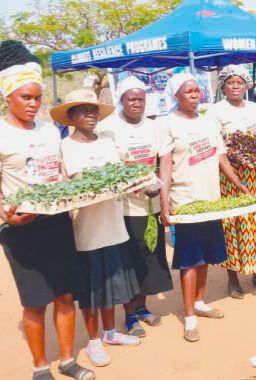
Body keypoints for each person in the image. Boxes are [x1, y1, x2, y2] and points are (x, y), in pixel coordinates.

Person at [0, 40, 95, 380]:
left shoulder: (47, 131)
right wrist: (5, 215)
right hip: (20, 228)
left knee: (65, 294)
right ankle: (40, 368)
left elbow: (60, 170)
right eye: (26, 97)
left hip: (56, 221)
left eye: (38, 97)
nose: (34, 104)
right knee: (35, 302)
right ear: (7, 95)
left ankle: (68, 360)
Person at [157, 73, 248, 342]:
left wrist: (240, 185)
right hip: (185, 200)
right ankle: (189, 317)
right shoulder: (168, 124)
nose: (195, 94)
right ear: (176, 96)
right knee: (189, 260)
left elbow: (221, 158)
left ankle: (199, 302)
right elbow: (165, 165)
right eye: (189, 91)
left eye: (197, 90)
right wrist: (164, 203)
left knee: (207, 256)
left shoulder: (208, 121)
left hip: (211, 199)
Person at [54, 89, 142, 367]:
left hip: (114, 226)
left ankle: (110, 333)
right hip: (86, 231)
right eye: (82, 110)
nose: (90, 115)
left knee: (112, 284)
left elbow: (125, 173)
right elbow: (62, 187)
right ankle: (93, 341)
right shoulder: (65, 148)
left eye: (93, 109)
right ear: (70, 117)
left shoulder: (107, 142)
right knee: (92, 290)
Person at [97, 76, 173, 338]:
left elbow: (164, 160)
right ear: (121, 100)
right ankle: (129, 316)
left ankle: (142, 308)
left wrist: (162, 195)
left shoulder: (154, 126)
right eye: (131, 99)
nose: (137, 103)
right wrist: (137, 187)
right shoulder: (108, 128)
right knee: (128, 261)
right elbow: (109, 169)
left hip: (150, 206)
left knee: (149, 259)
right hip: (124, 208)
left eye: (141, 98)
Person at [206, 65, 256, 298]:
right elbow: (217, 150)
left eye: (239, 82)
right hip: (231, 178)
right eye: (230, 83)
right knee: (233, 227)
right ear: (223, 86)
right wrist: (236, 172)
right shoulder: (215, 111)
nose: (235, 86)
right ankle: (233, 278)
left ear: (246, 85)